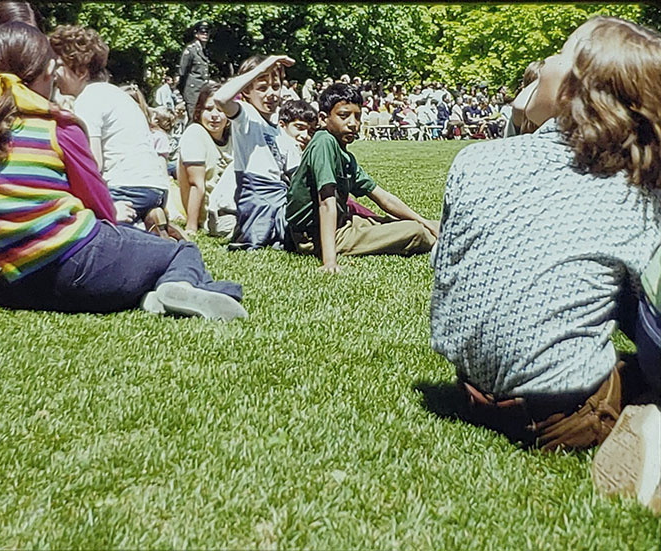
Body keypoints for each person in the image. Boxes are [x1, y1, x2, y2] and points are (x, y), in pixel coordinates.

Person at [0, 22, 246, 321]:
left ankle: (150, 294)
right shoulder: (57, 124)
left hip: (26, 280)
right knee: (179, 252)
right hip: (83, 265)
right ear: (49, 71)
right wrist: (113, 218)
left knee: (14, 283)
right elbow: (95, 202)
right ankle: (177, 287)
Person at [431, 17, 661, 454]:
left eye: (563, 54)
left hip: (466, 393)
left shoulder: (474, 160)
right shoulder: (635, 193)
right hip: (566, 418)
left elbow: (445, 268)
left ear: (574, 89)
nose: (551, 62)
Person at [285, 83, 438, 273]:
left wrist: (424, 221)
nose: (352, 123)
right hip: (315, 237)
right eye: (344, 115)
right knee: (414, 232)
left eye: (357, 116)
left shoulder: (345, 155)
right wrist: (329, 262)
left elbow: (383, 197)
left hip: (343, 222)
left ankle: (443, 232)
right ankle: (451, 241)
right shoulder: (324, 143)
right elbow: (326, 203)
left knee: (430, 225)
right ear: (324, 119)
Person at [49, 25, 179, 239]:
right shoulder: (117, 95)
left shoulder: (88, 99)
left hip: (124, 186)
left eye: (60, 66)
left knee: (74, 218)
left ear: (81, 71)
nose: (54, 74)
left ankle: (142, 237)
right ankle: (149, 224)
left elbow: (93, 163)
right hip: (155, 186)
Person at [213, 54, 302, 250]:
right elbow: (220, 98)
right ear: (246, 92)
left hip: (279, 196)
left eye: (276, 87)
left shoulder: (278, 130)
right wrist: (261, 69)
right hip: (256, 196)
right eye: (262, 88)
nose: (271, 94)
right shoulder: (245, 115)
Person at [176, 82, 234, 236]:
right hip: (214, 217)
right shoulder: (195, 134)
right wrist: (191, 227)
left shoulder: (235, 136)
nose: (215, 115)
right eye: (208, 109)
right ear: (199, 112)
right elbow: (196, 184)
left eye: (221, 110)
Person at [178, 20, 211, 120]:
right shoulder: (191, 50)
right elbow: (183, 73)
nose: (205, 34)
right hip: (193, 91)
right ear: (196, 34)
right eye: (202, 32)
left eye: (207, 32)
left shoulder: (204, 50)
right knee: (193, 118)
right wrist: (183, 93)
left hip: (203, 91)